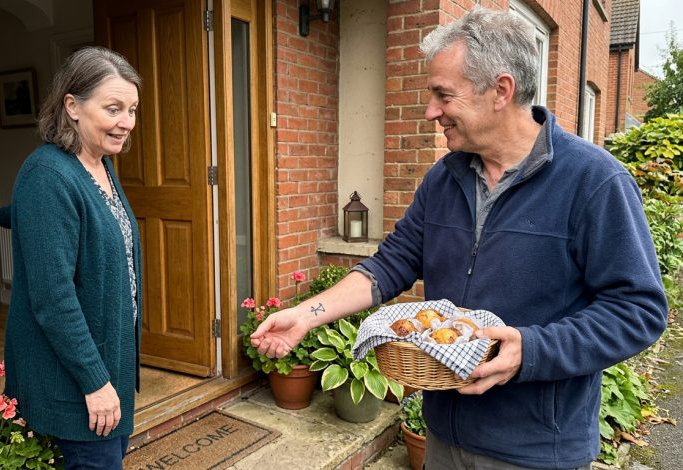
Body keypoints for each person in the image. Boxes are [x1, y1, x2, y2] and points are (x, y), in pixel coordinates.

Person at [251, 7, 667, 470]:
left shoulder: (594, 182)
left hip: (535, 449)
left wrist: (531, 350)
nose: (431, 111)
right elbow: (389, 266)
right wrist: (306, 315)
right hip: (445, 435)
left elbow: (638, 310)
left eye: (443, 95)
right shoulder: (444, 178)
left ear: (501, 91)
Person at [2, 46, 142, 469]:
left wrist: (0, 214)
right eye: (113, 108)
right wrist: (95, 381)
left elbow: (77, 226)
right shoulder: (47, 173)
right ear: (72, 106)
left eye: (132, 110)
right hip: (76, 382)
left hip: (107, 364)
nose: (126, 122)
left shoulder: (98, 164)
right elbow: (53, 297)